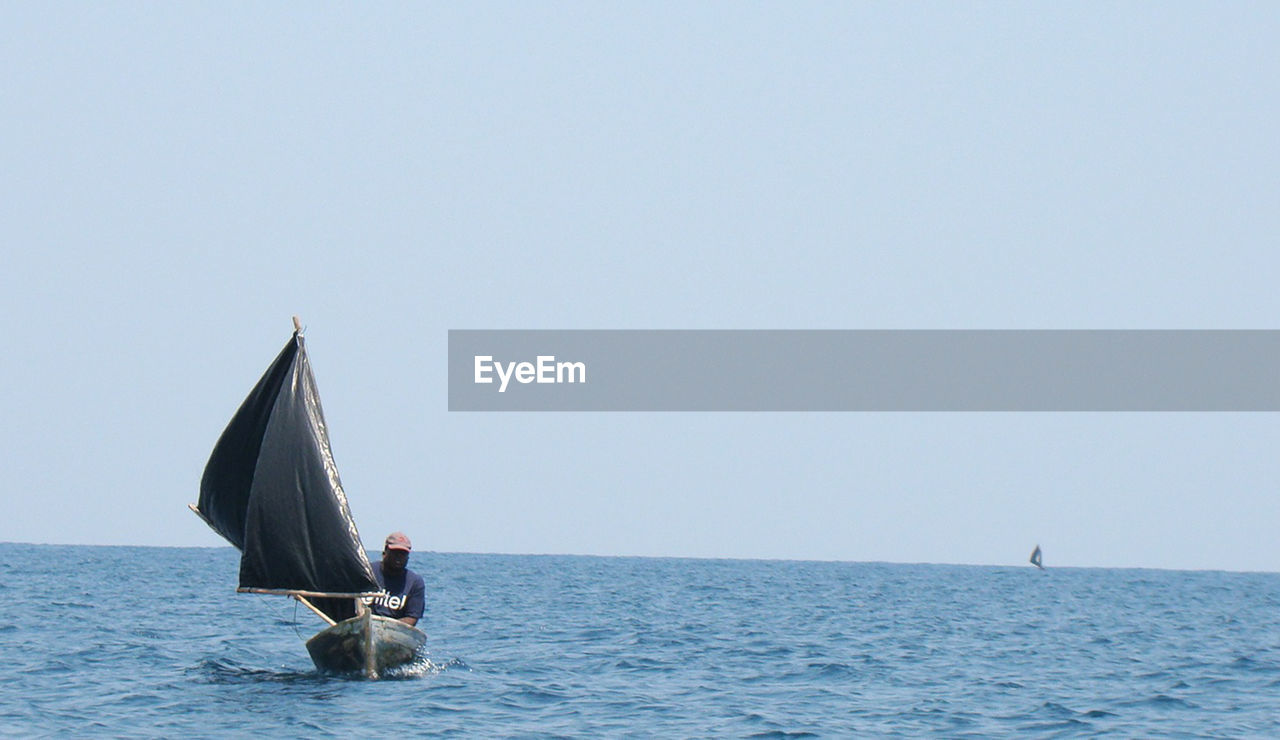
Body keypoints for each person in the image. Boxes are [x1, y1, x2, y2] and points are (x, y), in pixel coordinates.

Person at [363, 531, 425, 627]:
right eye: (395, 553)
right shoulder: (366, 572)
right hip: (362, 624)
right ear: (385, 552)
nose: (399, 557)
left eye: (403, 554)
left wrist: (384, 627)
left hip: (393, 632)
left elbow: (412, 617)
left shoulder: (415, 582)